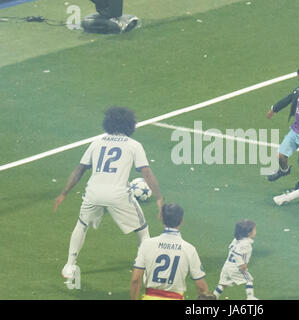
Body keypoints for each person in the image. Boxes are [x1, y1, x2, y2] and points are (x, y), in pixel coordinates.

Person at [54, 106, 163, 288]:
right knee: (143, 231)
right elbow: (147, 172)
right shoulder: (134, 145)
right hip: (118, 195)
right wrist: (159, 197)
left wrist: (64, 193)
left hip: (93, 192)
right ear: (130, 124)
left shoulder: (96, 142)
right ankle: (146, 274)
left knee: (82, 225)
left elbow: (79, 170)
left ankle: (69, 265)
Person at [130, 203, 212, 300]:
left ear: (162, 219)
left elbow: (135, 280)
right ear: (181, 221)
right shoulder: (189, 249)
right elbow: (201, 287)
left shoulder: (147, 244)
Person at [213, 219, 258, 300]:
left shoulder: (236, 240)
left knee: (222, 284)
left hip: (227, 266)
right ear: (249, 233)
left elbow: (231, 248)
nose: (255, 231)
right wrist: (242, 265)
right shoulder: (246, 244)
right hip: (236, 267)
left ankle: (213, 298)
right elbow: (237, 254)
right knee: (249, 280)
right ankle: (250, 297)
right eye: (254, 229)